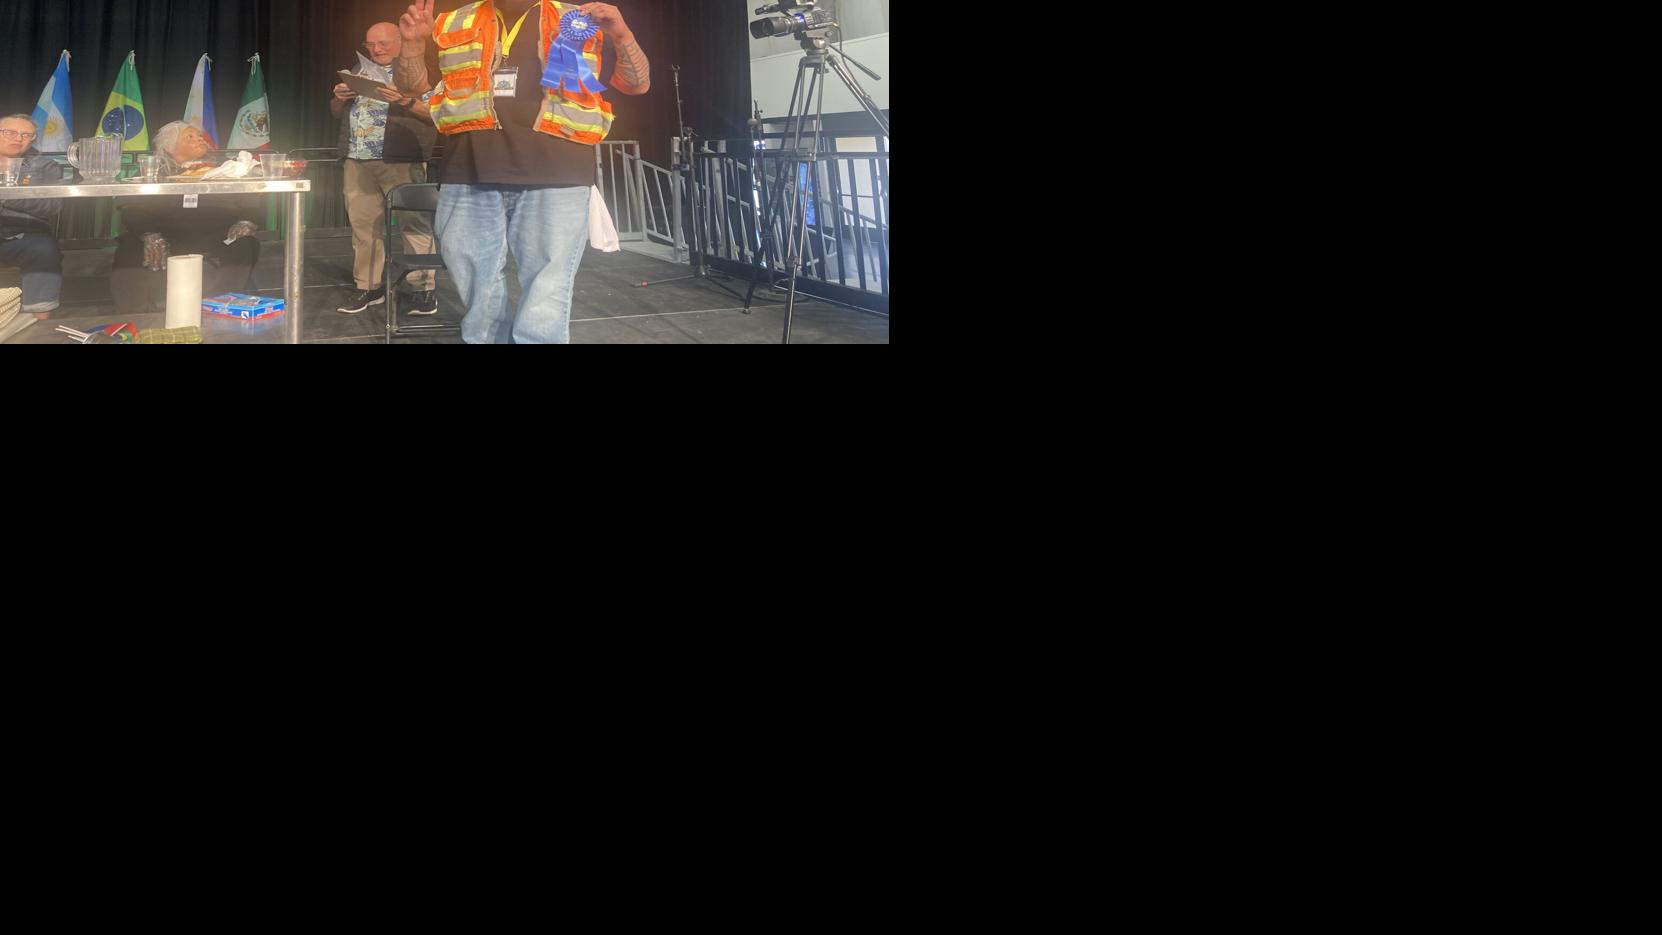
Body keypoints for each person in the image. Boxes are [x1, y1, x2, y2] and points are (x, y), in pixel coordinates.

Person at [393, 0, 650, 343]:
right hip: (468, 170)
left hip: (558, 173)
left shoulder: (578, 18)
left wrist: (621, 32)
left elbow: (637, 84)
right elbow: (410, 87)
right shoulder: (455, 20)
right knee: (475, 286)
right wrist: (412, 44)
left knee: (548, 288)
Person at [331, 20, 442, 316]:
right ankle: (369, 286)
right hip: (357, 159)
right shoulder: (358, 72)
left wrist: (405, 100)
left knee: (413, 223)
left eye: (383, 43)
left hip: (400, 159)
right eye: (371, 44)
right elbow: (335, 112)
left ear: (400, 42)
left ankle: (422, 290)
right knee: (363, 228)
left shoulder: (418, 72)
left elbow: (438, 114)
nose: (376, 49)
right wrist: (339, 99)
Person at [109, 122, 262, 315]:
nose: (199, 138)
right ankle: (136, 314)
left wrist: (247, 221)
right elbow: (130, 208)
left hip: (218, 236)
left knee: (245, 244)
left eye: (199, 135)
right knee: (129, 245)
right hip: (165, 236)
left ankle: (218, 309)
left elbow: (252, 202)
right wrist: (148, 234)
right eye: (190, 137)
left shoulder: (228, 168)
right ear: (168, 147)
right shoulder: (150, 171)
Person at [0, 114, 65, 321]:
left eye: (26, 135)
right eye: (10, 132)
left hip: (23, 237)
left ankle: (38, 322)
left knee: (42, 248)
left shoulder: (46, 167)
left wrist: (7, 196)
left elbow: (53, 205)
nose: (17, 138)